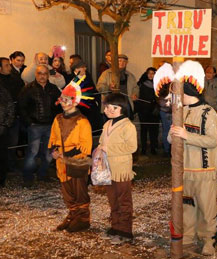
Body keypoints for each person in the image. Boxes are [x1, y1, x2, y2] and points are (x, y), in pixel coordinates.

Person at [165, 61, 217, 255]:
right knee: (186, 207)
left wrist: (186, 136)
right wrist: (173, 133)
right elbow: (170, 139)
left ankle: (209, 239)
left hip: (203, 170)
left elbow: (212, 141)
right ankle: (189, 235)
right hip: (184, 170)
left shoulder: (208, 113)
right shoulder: (180, 112)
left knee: (206, 207)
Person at [48, 78, 93, 232]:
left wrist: (65, 154)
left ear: (74, 102)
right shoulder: (58, 119)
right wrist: (54, 151)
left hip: (77, 162)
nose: (63, 102)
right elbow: (53, 137)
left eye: (67, 100)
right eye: (62, 99)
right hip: (61, 162)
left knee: (79, 189)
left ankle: (83, 218)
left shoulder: (83, 121)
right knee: (67, 190)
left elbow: (86, 146)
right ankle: (72, 214)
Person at [98, 93, 137, 244]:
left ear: (122, 108)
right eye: (106, 107)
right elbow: (102, 141)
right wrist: (100, 151)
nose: (108, 110)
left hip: (121, 169)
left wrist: (109, 148)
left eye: (112, 107)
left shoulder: (128, 126)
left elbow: (131, 146)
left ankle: (125, 231)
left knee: (123, 200)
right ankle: (115, 227)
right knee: (113, 200)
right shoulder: (107, 124)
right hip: (108, 169)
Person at [18, 65, 61, 187]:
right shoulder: (27, 89)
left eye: (45, 73)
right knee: (32, 153)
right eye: (39, 73)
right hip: (34, 126)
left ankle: (43, 174)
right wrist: (29, 123)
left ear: (48, 75)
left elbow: (59, 105)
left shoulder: (53, 89)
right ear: (36, 74)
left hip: (50, 126)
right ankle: (28, 177)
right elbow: (21, 108)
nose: (42, 76)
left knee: (48, 154)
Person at [0, 57, 22, 175]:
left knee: (13, 143)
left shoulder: (15, 79)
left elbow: (21, 96)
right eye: (6, 65)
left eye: (9, 65)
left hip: (14, 117)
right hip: (1, 119)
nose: (9, 67)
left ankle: (11, 166)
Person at [71, 62, 103, 135]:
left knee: (93, 127)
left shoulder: (87, 76)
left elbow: (93, 89)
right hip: (80, 108)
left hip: (91, 106)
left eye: (85, 67)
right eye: (83, 67)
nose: (85, 69)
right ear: (76, 69)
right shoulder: (72, 79)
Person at [136, 67, 159, 155]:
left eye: (152, 73)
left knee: (154, 130)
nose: (150, 75)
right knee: (144, 130)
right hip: (143, 110)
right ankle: (144, 149)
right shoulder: (141, 83)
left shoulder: (158, 84)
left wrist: (157, 106)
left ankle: (153, 148)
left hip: (154, 111)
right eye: (149, 73)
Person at [0, 84, 15, 187]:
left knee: (2, 156)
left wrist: (5, 125)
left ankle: (1, 180)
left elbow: (10, 108)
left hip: (1, 129)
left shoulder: (3, 91)